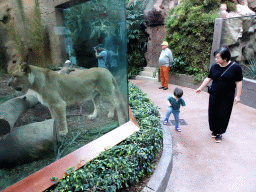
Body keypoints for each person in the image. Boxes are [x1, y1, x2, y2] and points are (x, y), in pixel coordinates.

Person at [196, 46, 243, 143]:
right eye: (215, 57)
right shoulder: (214, 67)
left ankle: (219, 133)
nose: (216, 59)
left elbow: (239, 82)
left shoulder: (235, 68)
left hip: (227, 96)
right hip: (214, 94)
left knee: (223, 114)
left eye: (218, 57)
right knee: (212, 113)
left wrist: (238, 96)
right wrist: (200, 87)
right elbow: (208, 78)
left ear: (225, 58)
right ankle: (214, 129)